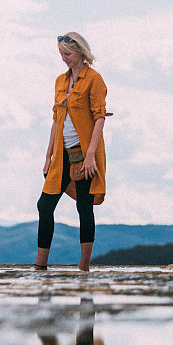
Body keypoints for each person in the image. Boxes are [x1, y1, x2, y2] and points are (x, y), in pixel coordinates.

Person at [35, 33, 108, 271]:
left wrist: (90, 157)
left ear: (80, 52)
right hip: (61, 154)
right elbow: (56, 119)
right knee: (45, 205)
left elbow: (99, 119)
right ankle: (40, 265)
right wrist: (48, 155)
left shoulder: (94, 80)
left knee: (84, 206)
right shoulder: (60, 81)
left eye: (68, 54)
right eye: (61, 55)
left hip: (83, 154)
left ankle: (84, 267)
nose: (64, 59)